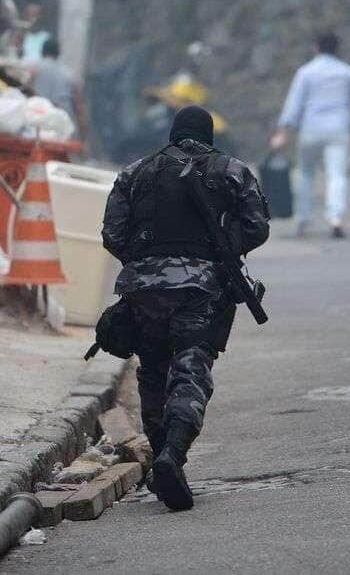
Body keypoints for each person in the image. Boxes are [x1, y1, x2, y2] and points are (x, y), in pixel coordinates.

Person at [102, 106, 270, 511]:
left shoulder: (134, 172)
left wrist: (146, 265)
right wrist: (220, 248)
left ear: (172, 133)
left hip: (143, 290)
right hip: (201, 288)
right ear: (209, 135)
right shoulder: (231, 170)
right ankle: (172, 456)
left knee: (153, 371)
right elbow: (257, 227)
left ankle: (162, 455)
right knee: (191, 370)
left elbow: (112, 235)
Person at [270, 32, 350, 239]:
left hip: (311, 129)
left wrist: (283, 132)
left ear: (316, 48)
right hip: (338, 130)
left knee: (305, 173)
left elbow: (293, 104)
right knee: (337, 174)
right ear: (337, 49)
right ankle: (335, 219)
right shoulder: (347, 72)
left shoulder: (306, 72)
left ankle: (302, 218)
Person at [30, 38, 88, 139]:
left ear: (42, 52)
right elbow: (78, 107)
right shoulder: (70, 74)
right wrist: (83, 135)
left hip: (37, 125)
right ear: (58, 53)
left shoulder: (33, 70)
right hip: (62, 127)